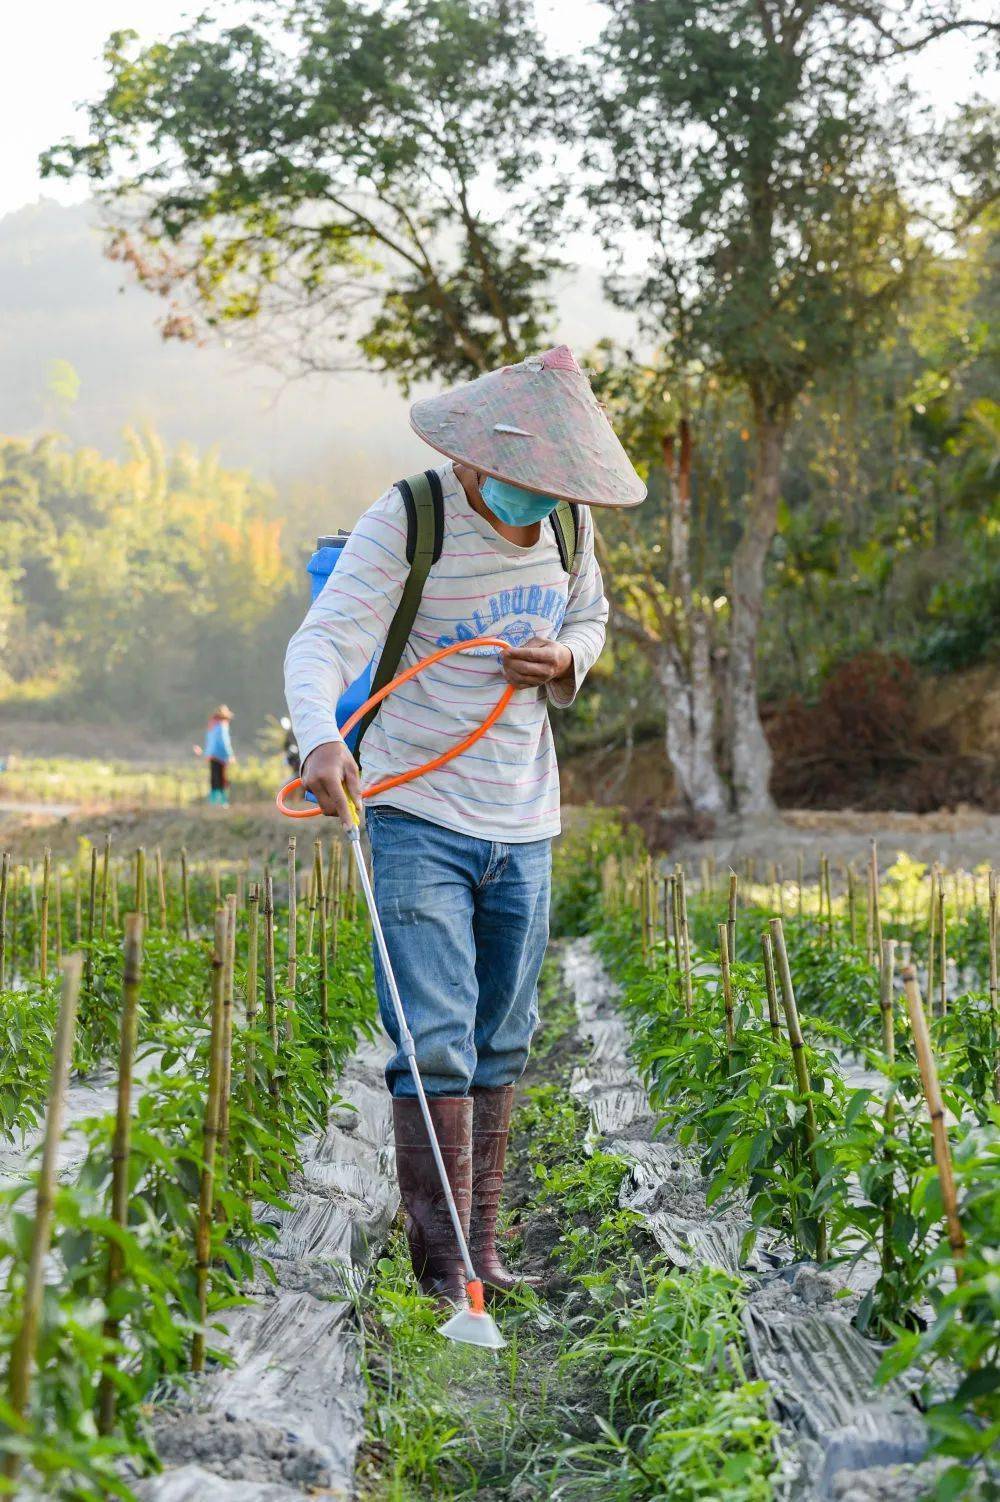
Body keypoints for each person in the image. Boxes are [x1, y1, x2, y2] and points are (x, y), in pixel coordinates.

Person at [284, 346, 645, 1304]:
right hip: (414, 807)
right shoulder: (412, 517)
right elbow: (324, 641)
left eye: (557, 485)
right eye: (528, 480)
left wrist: (565, 658)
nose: (542, 498)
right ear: (480, 456)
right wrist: (321, 741)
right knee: (434, 1036)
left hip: (524, 813)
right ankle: (446, 1269)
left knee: (505, 1037)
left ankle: (484, 1247)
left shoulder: (569, 526)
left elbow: (593, 617)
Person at [194, 705, 235, 806]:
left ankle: (213, 801)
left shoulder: (212, 725)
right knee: (221, 779)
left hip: (211, 755)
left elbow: (209, 742)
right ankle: (222, 802)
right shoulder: (222, 725)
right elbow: (224, 742)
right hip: (220, 756)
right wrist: (230, 755)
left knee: (214, 778)